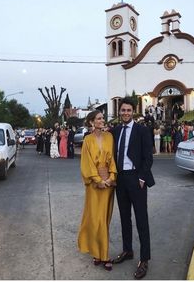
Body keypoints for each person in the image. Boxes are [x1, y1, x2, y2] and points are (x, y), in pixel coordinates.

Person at [111, 97, 155, 279]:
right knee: (124, 218)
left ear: (133, 112)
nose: (126, 113)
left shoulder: (142, 130)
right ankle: (127, 250)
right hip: (120, 179)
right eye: (123, 110)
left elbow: (148, 157)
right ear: (119, 112)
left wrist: (142, 178)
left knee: (141, 220)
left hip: (136, 179)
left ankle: (144, 259)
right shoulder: (115, 130)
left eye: (129, 110)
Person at [78, 110, 117, 271]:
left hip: (108, 185)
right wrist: (97, 180)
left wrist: (111, 177)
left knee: (104, 220)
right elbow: (86, 162)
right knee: (95, 219)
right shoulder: (87, 140)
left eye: (103, 118)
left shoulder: (109, 137)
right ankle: (99, 254)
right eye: (99, 118)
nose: (102, 120)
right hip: (95, 187)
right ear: (91, 122)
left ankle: (102, 254)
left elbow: (113, 159)